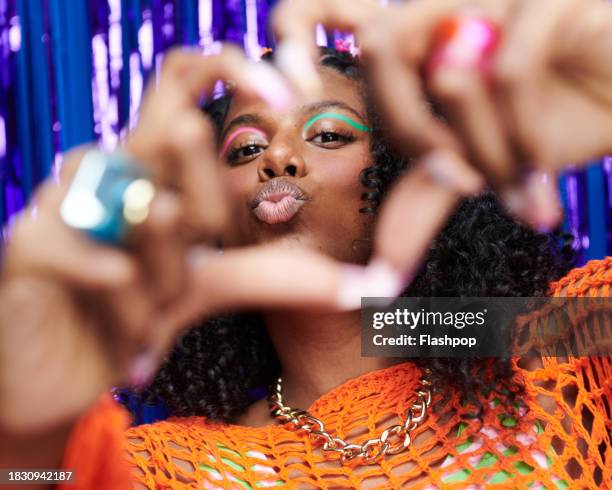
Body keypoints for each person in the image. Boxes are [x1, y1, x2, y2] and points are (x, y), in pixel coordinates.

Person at [0, 1, 610, 489]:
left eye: (328, 134)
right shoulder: (169, 469)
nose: (278, 158)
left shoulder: (541, 348)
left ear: (402, 169)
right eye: (244, 149)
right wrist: (24, 433)